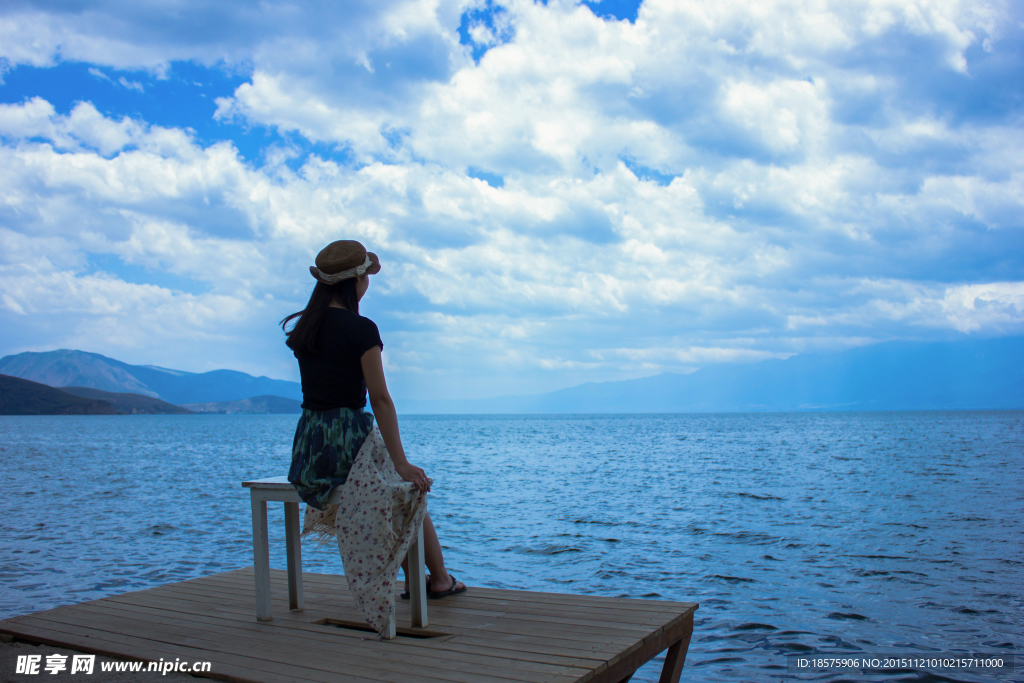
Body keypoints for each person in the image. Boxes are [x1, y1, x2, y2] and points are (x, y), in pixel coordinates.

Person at [281, 239, 466, 604]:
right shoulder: (361, 328)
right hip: (348, 438)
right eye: (366, 275)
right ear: (356, 281)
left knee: (399, 488)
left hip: (310, 445)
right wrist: (401, 462)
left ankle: (416, 582)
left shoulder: (306, 328)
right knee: (411, 489)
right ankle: (439, 579)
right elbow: (379, 398)